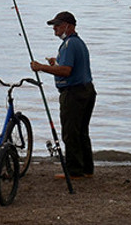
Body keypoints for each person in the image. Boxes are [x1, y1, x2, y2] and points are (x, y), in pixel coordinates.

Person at [30, 11, 96, 179]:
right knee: (81, 131)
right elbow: (69, 66)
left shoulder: (69, 44)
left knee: (70, 133)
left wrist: (41, 67)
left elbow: (66, 71)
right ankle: (87, 169)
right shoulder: (78, 43)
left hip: (74, 93)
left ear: (68, 26)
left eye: (57, 26)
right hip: (87, 90)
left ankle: (74, 171)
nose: (55, 29)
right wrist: (55, 63)